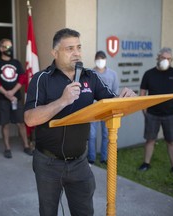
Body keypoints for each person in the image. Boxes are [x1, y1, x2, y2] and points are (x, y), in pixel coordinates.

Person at [24, 28, 136, 216]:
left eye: (79, 47)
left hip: (80, 163)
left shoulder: (90, 77)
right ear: (55, 53)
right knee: (48, 212)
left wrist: (124, 99)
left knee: (84, 212)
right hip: (48, 164)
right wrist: (62, 101)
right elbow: (29, 119)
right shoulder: (41, 79)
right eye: (69, 48)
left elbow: (111, 103)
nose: (77, 53)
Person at [138, 47, 173, 178]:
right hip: (152, 114)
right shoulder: (149, 74)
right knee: (150, 140)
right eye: (163, 58)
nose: (166, 61)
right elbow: (142, 93)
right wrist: (144, 110)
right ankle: (146, 163)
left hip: (171, 114)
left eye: (169, 59)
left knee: (171, 141)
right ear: (158, 58)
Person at [0, 38, 33, 159]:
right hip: (2, 99)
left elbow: (23, 78)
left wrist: (12, 92)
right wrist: (6, 93)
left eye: (10, 46)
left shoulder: (16, 63)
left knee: (21, 123)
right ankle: (7, 148)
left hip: (16, 98)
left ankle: (26, 145)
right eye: (6, 47)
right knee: (5, 124)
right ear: (1, 48)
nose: (9, 49)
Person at [87, 51, 119, 165]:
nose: (100, 61)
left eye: (102, 59)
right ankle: (91, 157)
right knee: (92, 135)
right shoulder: (90, 73)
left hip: (108, 108)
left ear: (105, 60)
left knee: (107, 134)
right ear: (95, 60)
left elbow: (115, 92)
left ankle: (105, 158)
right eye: (98, 59)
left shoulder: (112, 74)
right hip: (94, 108)